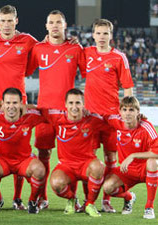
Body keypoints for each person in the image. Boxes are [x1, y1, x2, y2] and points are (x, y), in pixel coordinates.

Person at [0, 4, 38, 210]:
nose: (6, 24)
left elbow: (45, 48)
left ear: (16, 21)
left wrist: (68, 39)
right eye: (3, 20)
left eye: (10, 20)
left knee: (18, 150)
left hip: (17, 103)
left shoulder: (27, 40)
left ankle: (18, 198)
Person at [26, 10, 86, 209]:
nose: (54, 26)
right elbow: (23, 71)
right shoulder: (38, 48)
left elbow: (89, 74)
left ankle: (73, 199)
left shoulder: (75, 49)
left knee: (72, 158)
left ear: (65, 25)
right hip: (44, 112)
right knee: (43, 155)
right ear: (46, 26)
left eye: (58, 22)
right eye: (51, 22)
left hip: (69, 113)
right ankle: (42, 198)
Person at [84, 18, 134, 212]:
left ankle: (106, 200)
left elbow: (128, 88)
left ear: (110, 35)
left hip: (112, 117)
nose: (102, 37)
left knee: (111, 159)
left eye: (105, 33)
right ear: (93, 34)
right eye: (98, 33)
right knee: (89, 160)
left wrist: (128, 114)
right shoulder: (86, 53)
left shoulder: (118, 57)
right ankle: (89, 200)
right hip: (91, 117)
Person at [0, 88, 46, 214]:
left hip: (24, 160)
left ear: (21, 104)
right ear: (2, 104)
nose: (11, 106)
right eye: (8, 103)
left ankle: (32, 201)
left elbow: (50, 114)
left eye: (15, 103)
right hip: (3, 160)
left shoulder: (30, 116)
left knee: (40, 170)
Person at [47, 88, 106, 217]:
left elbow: (112, 121)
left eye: (78, 103)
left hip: (86, 164)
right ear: (65, 105)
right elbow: (37, 110)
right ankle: (72, 199)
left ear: (83, 104)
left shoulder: (92, 119)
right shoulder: (56, 118)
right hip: (66, 166)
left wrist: (140, 119)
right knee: (56, 183)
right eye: (71, 103)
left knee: (99, 167)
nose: (74, 106)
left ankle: (90, 204)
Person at [103, 96, 158, 219]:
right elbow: (102, 113)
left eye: (131, 110)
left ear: (138, 112)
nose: (127, 113)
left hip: (144, 169)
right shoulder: (115, 121)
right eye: (125, 109)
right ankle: (129, 197)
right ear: (120, 112)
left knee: (153, 162)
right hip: (126, 170)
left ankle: (149, 207)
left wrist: (133, 156)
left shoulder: (146, 127)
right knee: (107, 188)